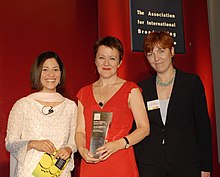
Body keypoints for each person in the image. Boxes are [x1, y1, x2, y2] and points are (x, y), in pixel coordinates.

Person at [134, 31, 212, 177]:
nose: (156, 58)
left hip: (186, 162)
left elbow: (203, 127)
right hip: (150, 164)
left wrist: (206, 166)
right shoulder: (143, 88)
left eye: (161, 51)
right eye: (150, 54)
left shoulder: (191, 83)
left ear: (172, 51)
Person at [75, 36, 150, 177]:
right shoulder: (83, 93)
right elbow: (80, 131)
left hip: (120, 162)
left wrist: (119, 144)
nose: (106, 63)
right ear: (95, 60)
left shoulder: (131, 90)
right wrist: (81, 149)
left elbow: (144, 128)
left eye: (112, 58)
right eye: (101, 57)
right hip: (91, 162)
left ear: (120, 62)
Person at [5, 51, 77, 177]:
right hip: (28, 172)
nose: (51, 74)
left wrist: (69, 149)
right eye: (45, 69)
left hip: (59, 172)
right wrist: (33, 143)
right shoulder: (23, 105)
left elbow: (75, 140)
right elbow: (10, 143)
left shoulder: (70, 107)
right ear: (37, 73)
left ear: (61, 74)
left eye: (55, 69)